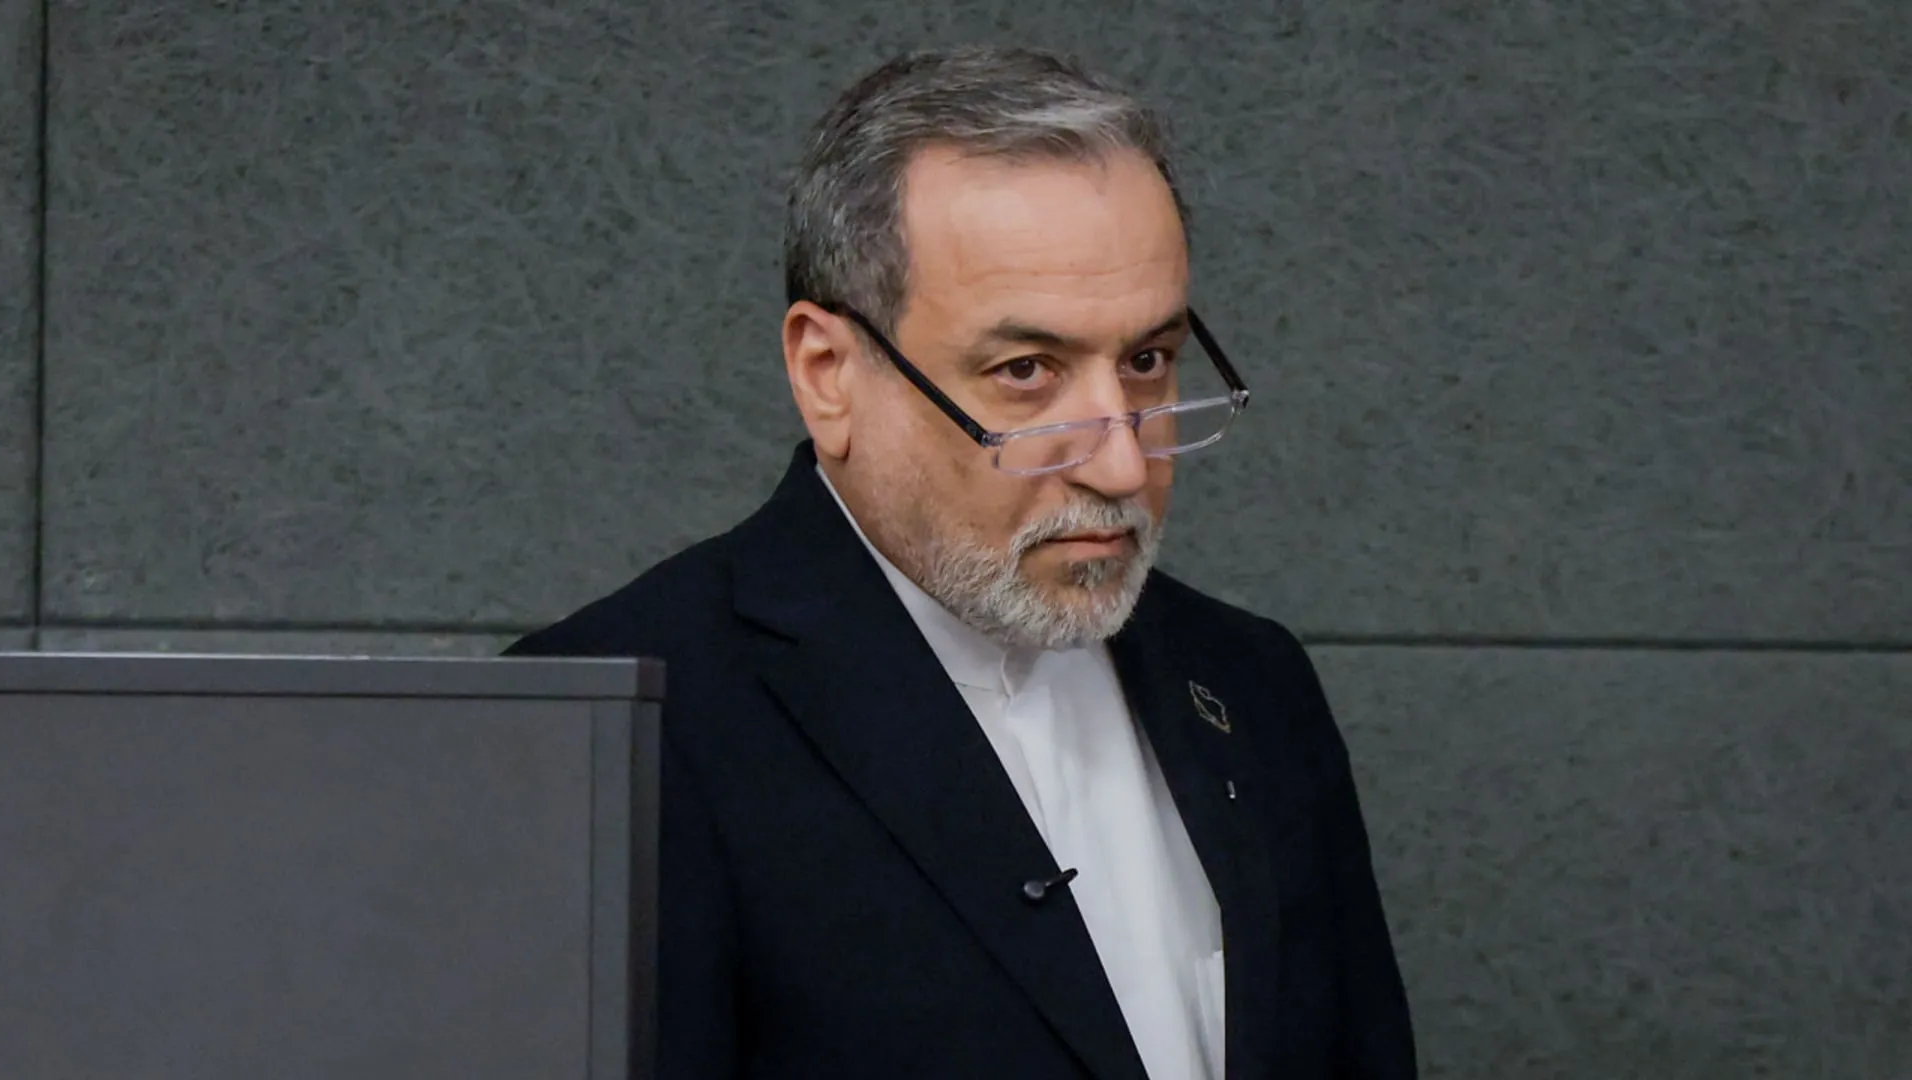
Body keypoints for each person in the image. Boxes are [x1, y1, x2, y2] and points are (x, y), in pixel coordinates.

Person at [506, 45, 1415, 1080]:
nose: (1121, 463)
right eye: (1026, 372)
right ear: (828, 373)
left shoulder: (1254, 684)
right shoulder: (614, 732)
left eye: (1147, 361)